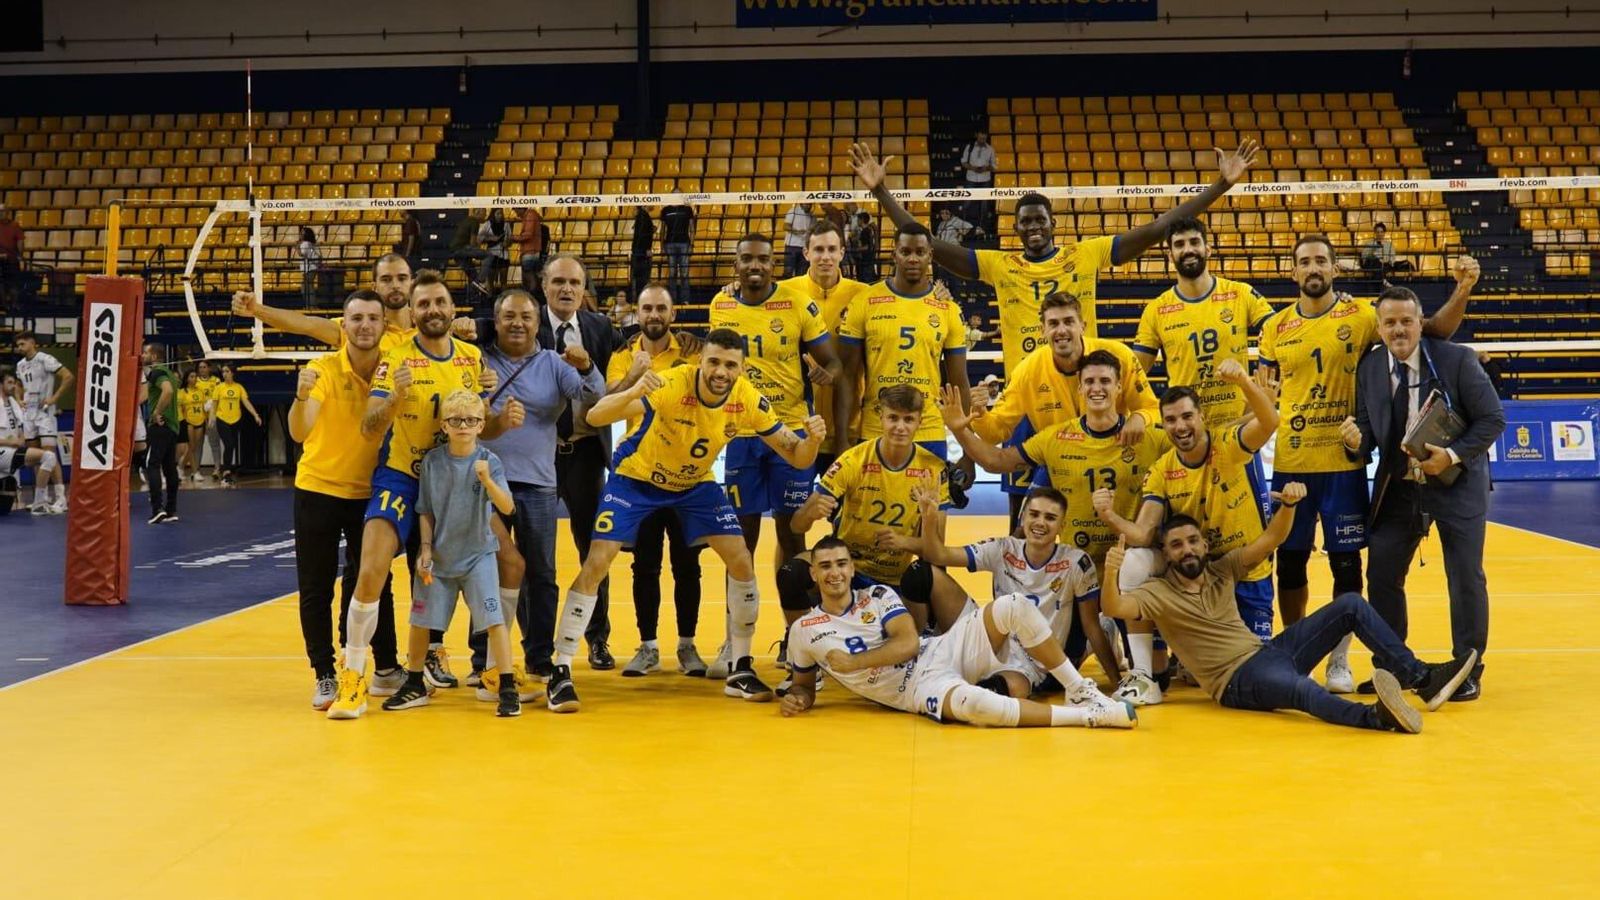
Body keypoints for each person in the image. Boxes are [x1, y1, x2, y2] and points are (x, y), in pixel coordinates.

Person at [851, 140, 1259, 521]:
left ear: (1053, 223)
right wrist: (882, 193)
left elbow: (1157, 230)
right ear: (1016, 228)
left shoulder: (1085, 254)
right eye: (1025, 222)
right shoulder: (1001, 265)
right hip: (1030, 397)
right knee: (1026, 519)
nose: (1033, 228)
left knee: (1103, 507)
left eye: (1040, 221)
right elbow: (928, 245)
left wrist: (1221, 184)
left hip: (1089, 398)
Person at [546, 328, 827, 712]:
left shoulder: (748, 400)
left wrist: (811, 439)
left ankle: (740, 667)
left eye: (730, 365)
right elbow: (596, 415)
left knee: (741, 559)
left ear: (742, 369)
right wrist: (632, 392)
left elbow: (797, 457)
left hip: (694, 484)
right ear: (701, 361)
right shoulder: (672, 383)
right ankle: (560, 669)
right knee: (597, 561)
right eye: (713, 362)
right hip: (636, 479)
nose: (720, 371)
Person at [1256, 236, 1478, 691]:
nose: (1313, 267)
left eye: (1321, 259)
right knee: (1291, 564)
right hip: (1292, 462)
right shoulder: (1274, 328)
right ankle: (1297, 654)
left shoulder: (1361, 316)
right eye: (1304, 262)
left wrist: (1461, 291)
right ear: (1292, 271)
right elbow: (1267, 394)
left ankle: (1339, 659)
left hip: (1343, 464)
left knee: (1347, 566)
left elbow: (1432, 330)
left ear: (1335, 268)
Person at [1099, 496, 1480, 733]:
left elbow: (1271, 541)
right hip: (1236, 681)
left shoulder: (1221, 569)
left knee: (1350, 605)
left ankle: (1420, 677)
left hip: (1269, 653)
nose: (1187, 550)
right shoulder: (1158, 593)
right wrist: (1112, 571)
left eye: (1193, 541)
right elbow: (1115, 608)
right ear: (1166, 554)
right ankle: (1376, 719)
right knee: (1302, 690)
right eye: (1177, 545)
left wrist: (1289, 506)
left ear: (1204, 543)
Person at [326, 270, 518, 720]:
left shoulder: (471, 359)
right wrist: (394, 399)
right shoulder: (394, 357)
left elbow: (477, 425)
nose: (433, 310)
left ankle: (495, 672)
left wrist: (501, 422)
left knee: (510, 560)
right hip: (403, 476)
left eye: (440, 302)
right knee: (371, 567)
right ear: (412, 313)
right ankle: (354, 676)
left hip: (456, 481)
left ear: (453, 310)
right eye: (424, 304)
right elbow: (369, 427)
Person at [941, 351, 1170, 693]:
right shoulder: (1056, 438)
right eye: (1089, 382)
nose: (1097, 388)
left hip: (1129, 572)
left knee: (1161, 679)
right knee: (1054, 672)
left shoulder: (1151, 437)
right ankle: (1105, 635)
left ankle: (1143, 644)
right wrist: (961, 430)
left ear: (1119, 386)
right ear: (1079, 389)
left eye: (1105, 381)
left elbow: (1196, 448)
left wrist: (1144, 416)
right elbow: (996, 459)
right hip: (1077, 575)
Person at [1341, 286, 1506, 701]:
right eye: (1390, 322)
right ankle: (1393, 668)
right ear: (1378, 328)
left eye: (1406, 321)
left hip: (1456, 484)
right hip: (1399, 488)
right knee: (1381, 574)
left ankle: (1468, 668)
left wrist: (1450, 456)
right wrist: (1352, 440)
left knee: (1465, 577)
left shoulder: (1456, 360)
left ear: (1420, 323)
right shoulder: (1370, 367)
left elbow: (1492, 420)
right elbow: (1367, 438)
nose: (1399, 329)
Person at [780, 537, 1136, 729]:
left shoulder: (877, 595)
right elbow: (804, 685)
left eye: (841, 564)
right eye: (825, 566)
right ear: (813, 574)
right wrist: (798, 698)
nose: (835, 573)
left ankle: (1079, 691)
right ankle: (1089, 718)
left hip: (937, 652)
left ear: (852, 567)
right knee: (977, 707)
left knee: (1013, 605)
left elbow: (906, 644)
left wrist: (854, 662)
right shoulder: (803, 631)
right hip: (915, 692)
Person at [1098, 371, 1280, 663]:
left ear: (1201, 417)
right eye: (1170, 420)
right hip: (1202, 575)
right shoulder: (1162, 470)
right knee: (1135, 559)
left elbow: (1270, 421)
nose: (1179, 426)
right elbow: (1144, 534)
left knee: (1258, 663)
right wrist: (1109, 516)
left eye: (1186, 417)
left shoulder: (1229, 443)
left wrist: (1244, 383)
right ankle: (1146, 672)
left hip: (1247, 567)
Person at [474, 288, 603, 687]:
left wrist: (586, 367)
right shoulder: (476, 360)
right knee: (483, 571)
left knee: (542, 573)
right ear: (495, 321)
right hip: (485, 482)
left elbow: (594, 398)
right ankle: (484, 659)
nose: (518, 323)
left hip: (537, 484)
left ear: (537, 323)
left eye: (526, 317)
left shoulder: (552, 362)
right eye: (509, 316)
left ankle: (539, 656)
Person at [288, 291, 408, 709]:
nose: (364, 326)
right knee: (316, 587)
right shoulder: (321, 369)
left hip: (370, 492)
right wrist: (301, 398)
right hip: (318, 488)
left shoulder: (395, 368)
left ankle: (387, 667)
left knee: (377, 582)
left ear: (384, 325)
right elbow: (300, 433)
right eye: (356, 318)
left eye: (373, 318)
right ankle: (324, 672)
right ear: (344, 324)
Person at [787, 385, 969, 644]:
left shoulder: (933, 470)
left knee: (923, 578)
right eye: (893, 418)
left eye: (908, 420)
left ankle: (925, 634)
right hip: (848, 571)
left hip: (898, 580)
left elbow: (935, 550)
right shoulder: (853, 460)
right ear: (880, 417)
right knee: (791, 573)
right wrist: (811, 512)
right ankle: (800, 648)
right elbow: (796, 525)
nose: (900, 427)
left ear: (920, 422)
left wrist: (904, 541)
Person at [381, 389, 523, 717]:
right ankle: (415, 682)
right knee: (420, 621)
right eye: (456, 420)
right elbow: (425, 510)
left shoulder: (489, 461)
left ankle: (505, 685)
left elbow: (508, 506)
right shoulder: (433, 462)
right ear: (444, 425)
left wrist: (487, 481)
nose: (463, 426)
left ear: (480, 425)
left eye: (471, 420)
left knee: (494, 620)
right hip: (441, 558)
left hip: (478, 556)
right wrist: (425, 549)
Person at [710, 234, 840, 590]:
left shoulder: (797, 304)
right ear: (736, 264)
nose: (755, 265)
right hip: (742, 432)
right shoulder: (720, 306)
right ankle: (737, 636)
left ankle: (796, 633)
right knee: (741, 538)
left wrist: (826, 373)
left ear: (774, 264)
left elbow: (832, 360)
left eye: (763, 259)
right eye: (747, 258)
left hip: (791, 433)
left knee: (792, 533)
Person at [911, 485, 1122, 700]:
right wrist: (929, 518)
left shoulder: (1076, 562)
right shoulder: (1003, 548)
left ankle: (1108, 631)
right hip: (992, 639)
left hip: (1035, 662)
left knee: (993, 693)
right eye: (1034, 514)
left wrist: (1117, 684)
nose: (1040, 522)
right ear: (1022, 518)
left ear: (1062, 526)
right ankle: (919, 653)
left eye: (1050, 518)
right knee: (921, 574)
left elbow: (1090, 626)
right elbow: (938, 555)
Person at [967, 293, 1159, 528]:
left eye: (1068, 321)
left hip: (1114, 456)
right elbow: (995, 432)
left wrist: (1139, 417)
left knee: (1128, 529)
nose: (1061, 330)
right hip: (1060, 463)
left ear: (1082, 325)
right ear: (1042, 330)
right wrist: (979, 414)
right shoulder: (1028, 371)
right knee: (1024, 531)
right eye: (1053, 323)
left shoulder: (1119, 356)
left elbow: (1152, 407)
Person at [605, 285, 707, 678]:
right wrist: (635, 374)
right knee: (644, 567)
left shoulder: (694, 350)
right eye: (646, 307)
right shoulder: (622, 355)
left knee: (687, 565)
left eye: (660, 308)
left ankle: (687, 645)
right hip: (640, 475)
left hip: (687, 475)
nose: (653, 314)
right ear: (637, 312)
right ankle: (647, 646)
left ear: (673, 312)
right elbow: (608, 401)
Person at [539, 254, 628, 672]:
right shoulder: (523, 321)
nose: (567, 289)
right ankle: (534, 644)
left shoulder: (600, 329)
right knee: (532, 551)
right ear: (544, 285)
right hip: (537, 454)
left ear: (583, 287)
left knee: (594, 549)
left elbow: (622, 378)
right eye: (558, 281)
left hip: (587, 452)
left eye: (574, 282)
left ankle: (597, 639)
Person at [835, 222, 970, 467]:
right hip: (877, 427)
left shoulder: (948, 309)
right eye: (906, 252)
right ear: (893, 254)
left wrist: (968, 451)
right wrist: (842, 438)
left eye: (920, 252)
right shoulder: (866, 301)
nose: (913, 259)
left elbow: (959, 381)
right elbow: (847, 375)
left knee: (929, 506)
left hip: (928, 429)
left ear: (930, 256)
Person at [777, 220, 871, 469]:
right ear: (806, 253)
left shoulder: (864, 295)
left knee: (847, 507)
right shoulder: (782, 292)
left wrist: (939, 294)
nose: (825, 257)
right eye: (818, 250)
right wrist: (732, 288)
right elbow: (748, 300)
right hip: (796, 429)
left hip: (849, 429)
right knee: (796, 509)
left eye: (832, 249)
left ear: (842, 252)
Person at [13, 331, 72, 512]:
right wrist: (19, 398)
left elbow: (68, 376)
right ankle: (42, 497)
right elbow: (17, 385)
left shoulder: (45, 358)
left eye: (22, 344)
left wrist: (54, 398)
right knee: (36, 457)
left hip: (45, 415)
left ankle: (61, 498)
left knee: (50, 456)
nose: (19, 348)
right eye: (18, 345)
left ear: (32, 343)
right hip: (29, 415)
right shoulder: (20, 364)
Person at [1, 370, 62, 515]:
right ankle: (39, 504)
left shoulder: (12, 404)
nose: (13, 386)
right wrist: (12, 442)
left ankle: (47, 500)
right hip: (3, 452)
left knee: (4, 510)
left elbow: (21, 422)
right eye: (9, 383)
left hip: (10, 453)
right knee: (48, 456)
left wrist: (21, 437)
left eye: (15, 383)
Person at [142, 343, 182, 524]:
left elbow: (168, 391)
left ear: (155, 357)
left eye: (145, 353)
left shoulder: (157, 373)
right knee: (169, 467)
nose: (142, 355)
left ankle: (157, 508)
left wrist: (157, 412)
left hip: (160, 425)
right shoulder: (170, 374)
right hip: (172, 427)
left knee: (152, 464)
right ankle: (171, 509)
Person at [210, 364, 261, 487]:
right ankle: (226, 472)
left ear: (232, 373)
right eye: (223, 372)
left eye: (227, 371)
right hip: (222, 419)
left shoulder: (239, 387)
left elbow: (246, 402)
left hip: (236, 419)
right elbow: (214, 404)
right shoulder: (219, 387)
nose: (225, 374)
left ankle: (227, 472)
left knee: (231, 446)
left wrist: (255, 414)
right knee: (229, 444)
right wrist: (212, 417)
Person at [958, 130, 996, 230]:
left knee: (984, 205)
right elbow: (963, 162)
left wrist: (986, 168)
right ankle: (962, 226)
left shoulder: (990, 149)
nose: (982, 140)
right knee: (966, 202)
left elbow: (994, 166)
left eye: (984, 138)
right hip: (971, 178)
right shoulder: (969, 147)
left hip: (985, 179)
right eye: (980, 138)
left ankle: (981, 227)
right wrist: (972, 168)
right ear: (977, 136)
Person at [191, 360, 223, 481]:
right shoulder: (196, 381)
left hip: (211, 415)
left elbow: (219, 396)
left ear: (209, 368)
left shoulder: (216, 381)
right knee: (198, 444)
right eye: (200, 367)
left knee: (214, 442)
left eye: (204, 367)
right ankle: (196, 470)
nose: (202, 369)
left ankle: (217, 468)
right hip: (198, 415)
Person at [660, 203, 695, 301]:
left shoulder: (687, 209)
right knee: (672, 274)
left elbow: (692, 228)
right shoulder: (666, 210)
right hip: (670, 244)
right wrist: (662, 245)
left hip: (684, 244)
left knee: (684, 274)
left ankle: (685, 300)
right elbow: (662, 230)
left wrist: (691, 245)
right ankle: (672, 300)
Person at [177, 369, 206, 481]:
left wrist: (207, 420)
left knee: (194, 448)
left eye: (195, 376)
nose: (194, 379)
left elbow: (204, 407)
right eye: (191, 377)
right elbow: (181, 408)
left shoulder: (200, 391)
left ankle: (180, 466)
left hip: (200, 420)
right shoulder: (182, 392)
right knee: (191, 447)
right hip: (188, 421)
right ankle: (195, 471)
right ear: (187, 378)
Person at [477, 208, 512, 296]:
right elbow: (479, 238)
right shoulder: (487, 225)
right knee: (490, 280)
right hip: (491, 255)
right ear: (493, 214)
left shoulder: (506, 225)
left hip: (503, 255)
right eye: (498, 213)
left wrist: (507, 243)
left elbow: (510, 240)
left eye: (501, 213)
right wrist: (491, 238)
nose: (500, 215)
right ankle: (490, 299)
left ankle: (504, 299)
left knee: (503, 280)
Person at [448, 209, 487, 282]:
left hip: (454, 250)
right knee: (489, 255)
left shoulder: (466, 220)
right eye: (484, 213)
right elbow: (472, 244)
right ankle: (482, 278)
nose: (485, 215)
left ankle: (475, 288)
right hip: (462, 249)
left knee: (473, 276)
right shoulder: (475, 222)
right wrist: (477, 250)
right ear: (477, 212)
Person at [0, 202, 25, 307]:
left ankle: (14, 305)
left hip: (12, 260)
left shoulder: (15, 225)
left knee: (14, 283)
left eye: (3, 211)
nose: (1, 213)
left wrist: (20, 256)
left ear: (8, 212)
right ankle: (3, 304)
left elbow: (20, 241)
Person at [513, 207, 543, 290]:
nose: (517, 214)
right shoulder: (529, 216)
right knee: (529, 276)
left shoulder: (530, 216)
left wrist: (513, 238)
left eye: (516, 211)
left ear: (521, 208)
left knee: (529, 276)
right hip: (531, 251)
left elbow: (528, 235)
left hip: (530, 252)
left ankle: (532, 297)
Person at [630, 207, 655, 298]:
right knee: (642, 278)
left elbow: (643, 233)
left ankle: (638, 297)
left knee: (638, 278)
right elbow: (643, 235)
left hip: (639, 252)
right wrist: (647, 248)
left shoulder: (643, 217)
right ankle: (640, 297)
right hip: (641, 253)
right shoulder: (643, 217)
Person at [783, 203, 813, 276]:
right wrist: (797, 231)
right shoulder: (793, 211)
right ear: (801, 203)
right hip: (791, 246)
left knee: (802, 273)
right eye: (807, 204)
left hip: (805, 247)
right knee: (788, 271)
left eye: (810, 204)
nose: (808, 206)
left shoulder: (812, 216)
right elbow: (785, 226)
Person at [298, 227, 322, 309]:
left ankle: (311, 306)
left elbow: (302, 254)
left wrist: (297, 246)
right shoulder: (312, 244)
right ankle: (311, 305)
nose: (300, 235)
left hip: (308, 268)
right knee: (307, 287)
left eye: (302, 233)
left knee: (307, 288)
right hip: (313, 268)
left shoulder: (305, 244)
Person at [851, 212, 878, 282]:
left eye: (858, 220)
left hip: (865, 260)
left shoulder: (865, 232)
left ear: (862, 220)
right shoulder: (870, 230)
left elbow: (866, 247)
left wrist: (855, 249)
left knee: (865, 279)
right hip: (870, 258)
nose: (857, 222)